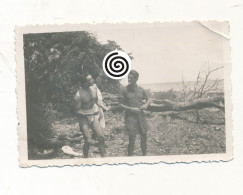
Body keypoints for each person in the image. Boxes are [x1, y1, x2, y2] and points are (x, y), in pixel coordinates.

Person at [73, 73, 109, 158]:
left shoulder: (94, 88)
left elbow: (97, 101)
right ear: (84, 83)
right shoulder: (79, 94)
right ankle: (85, 158)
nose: (92, 80)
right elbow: (77, 111)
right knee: (88, 140)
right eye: (89, 80)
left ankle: (103, 158)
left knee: (101, 137)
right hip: (83, 116)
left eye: (92, 78)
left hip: (93, 113)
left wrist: (105, 107)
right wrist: (89, 114)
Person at [119, 70, 150, 156]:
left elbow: (148, 99)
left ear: (136, 79)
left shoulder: (141, 90)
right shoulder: (124, 90)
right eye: (128, 77)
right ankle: (130, 159)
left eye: (131, 77)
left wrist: (146, 105)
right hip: (130, 118)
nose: (129, 79)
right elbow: (120, 105)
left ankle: (145, 156)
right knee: (132, 139)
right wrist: (131, 109)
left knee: (144, 137)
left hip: (141, 117)